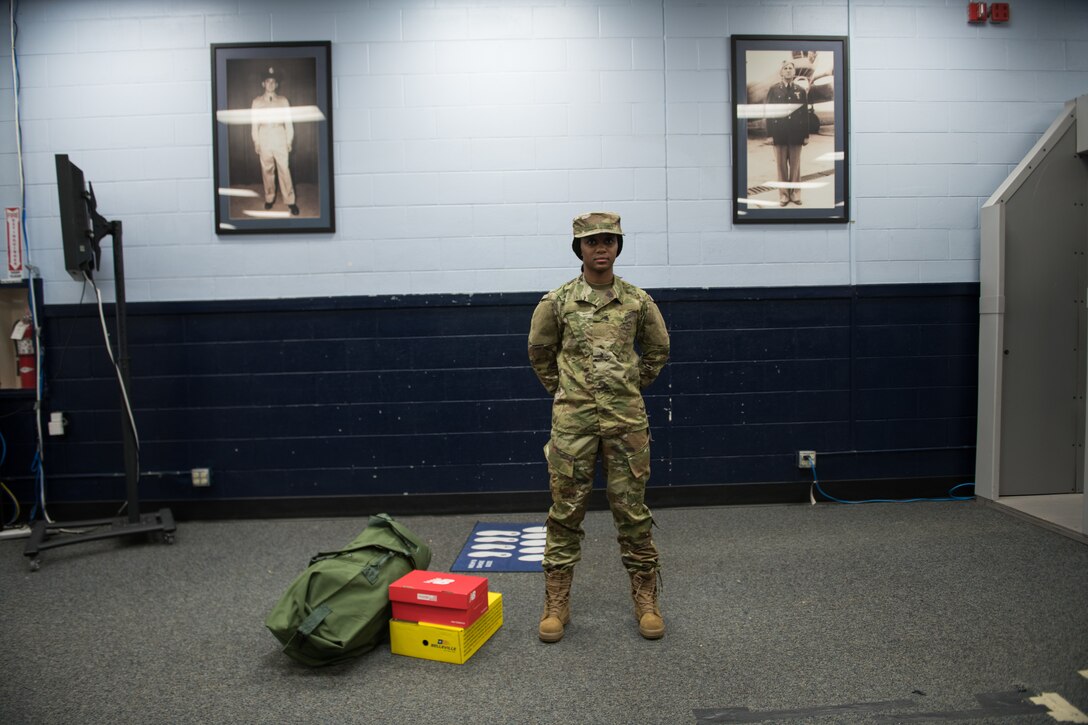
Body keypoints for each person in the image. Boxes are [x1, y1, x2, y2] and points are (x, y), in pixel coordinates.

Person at [527, 211, 671, 643]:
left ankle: (646, 599)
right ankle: (556, 602)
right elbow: (539, 352)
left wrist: (627, 386)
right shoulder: (557, 302)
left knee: (632, 511)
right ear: (580, 249)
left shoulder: (638, 302)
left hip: (626, 422)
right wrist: (570, 392)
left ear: (618, 246)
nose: (601, 248)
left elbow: (658, 351)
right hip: (574, 423)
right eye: (592, 242)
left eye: (609, 240)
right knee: (565, 512)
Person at [251, 66, 298, 215]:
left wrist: (289, 140)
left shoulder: (283, 101)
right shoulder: (257, 102)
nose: (270, 84)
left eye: (273, 81)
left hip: (279, 135)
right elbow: (254, 124)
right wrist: (256, 142)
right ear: (263, 84)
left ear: (276, 84)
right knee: (267, 170)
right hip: (264, 135)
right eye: (267, 81)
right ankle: (269, 198)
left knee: (284, 169)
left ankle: (290, 201)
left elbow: (288, 122)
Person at [765, 59, 809, 206]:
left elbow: (804, 114)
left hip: (796, 134)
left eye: (791, 68)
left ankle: (795, 195)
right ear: (781, 72)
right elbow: (769, 112)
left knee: (795, 167)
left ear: (794, 72)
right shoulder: (774, 90)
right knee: (781, 166)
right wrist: (770, 134)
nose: (789, 70)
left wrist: (806, 135)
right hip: (779, 133)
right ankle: (784, 196)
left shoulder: (800, 91)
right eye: (786, 68)